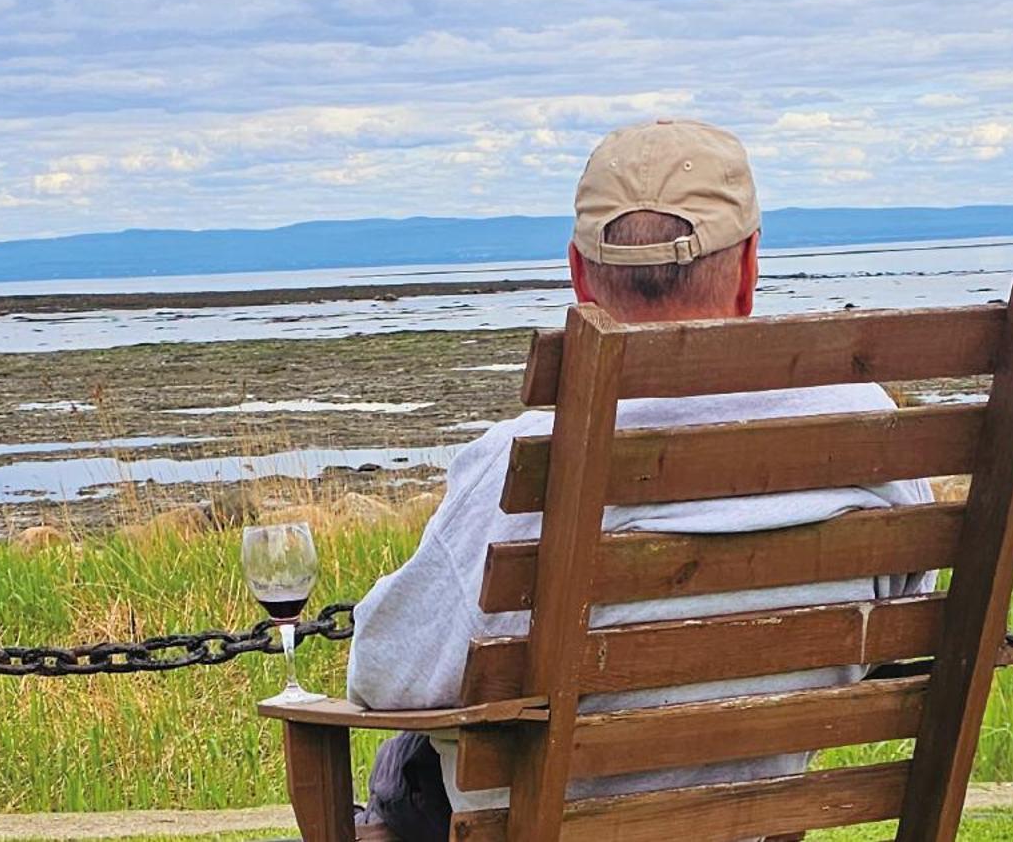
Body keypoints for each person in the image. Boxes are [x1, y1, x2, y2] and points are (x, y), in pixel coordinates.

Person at [345, 118, 935, 840]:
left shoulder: (525, 460)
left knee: (398, 774)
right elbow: (900, 628)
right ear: (750, 268)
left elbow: (383, 674)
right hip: (755, 824)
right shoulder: (872, 432)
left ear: (579, 274)